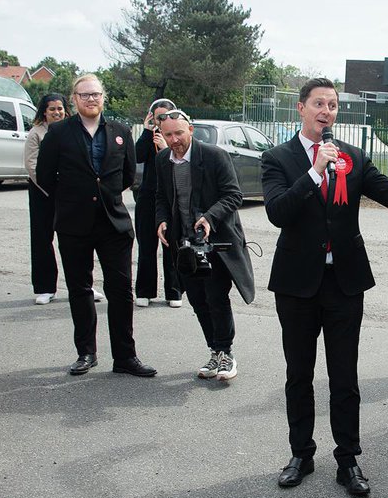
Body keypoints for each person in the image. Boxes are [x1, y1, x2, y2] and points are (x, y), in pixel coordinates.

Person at [261, 78, 388, 496]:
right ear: (301, 109)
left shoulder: (353, 157)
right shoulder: (278, 158)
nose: (327, 111)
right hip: (297, 285)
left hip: (344, 283)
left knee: (344, 376)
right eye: (318, 103)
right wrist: (314, 172)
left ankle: (348, 459)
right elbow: (277, 212)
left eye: (333, 105)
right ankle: (301, 453)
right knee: (299, 373)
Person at [36, 73, 156, 377]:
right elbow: (45, 176)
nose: (91, 99)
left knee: (120, 291)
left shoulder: (120, 131)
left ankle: (126, 357)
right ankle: (86, 352)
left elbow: (128, 176)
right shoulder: (59, 132)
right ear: (74, 99)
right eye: (84, 94)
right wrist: (74, 196)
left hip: (113, 223)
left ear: (104, 97)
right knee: (80, 288)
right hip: (73, 223)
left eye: (96, 94)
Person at [154, 110, 255, 380]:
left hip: (216, 243)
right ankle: (214, 351)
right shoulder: (162, 159)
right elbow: (161, 197)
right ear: (161, 135)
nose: (174, 140)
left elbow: (234, 195)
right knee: (198, 300)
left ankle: (226, 354)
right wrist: (162, 221)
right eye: (168, 135)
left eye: (178, 133)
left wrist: (209, 217)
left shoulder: (214, 156)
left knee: (216, 297)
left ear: (191, 131)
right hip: (183, 243)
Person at [134, 99, 183, 309]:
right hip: (147, 197)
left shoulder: (176, 137)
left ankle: (174, 291)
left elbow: (180, 163)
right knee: (146, 246)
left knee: (171, 245)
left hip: (171, 198)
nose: (162, 120)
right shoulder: (149, 136)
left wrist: (165, 147)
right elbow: (136, 156)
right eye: (158, 116)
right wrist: (146, 133)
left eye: (166, 116)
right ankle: (145, 291)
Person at [24, 93, 66, 305]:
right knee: (42, 240)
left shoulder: (72, 131)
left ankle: (83, 285)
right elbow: (32, 166)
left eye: (60, 108)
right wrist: (51, 188)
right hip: (43, 193)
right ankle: (45, 288)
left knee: (75, 241)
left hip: (69, 193)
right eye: (52, 109)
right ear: (44, 112)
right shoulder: (36, 133)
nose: (57, 113)